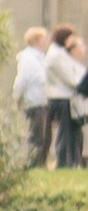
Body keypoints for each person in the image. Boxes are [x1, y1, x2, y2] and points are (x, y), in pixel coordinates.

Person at [43, 26, 84, 167]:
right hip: (60, 98)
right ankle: (63, 161)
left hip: (64, 97)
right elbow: (70, 78)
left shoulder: (59, 53)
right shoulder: (56, 55)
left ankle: (71, 160)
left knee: (71, 132)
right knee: (65, 132)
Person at [11, 25, 48, 166]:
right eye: (43, 40)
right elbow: (22, 80)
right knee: (35, 136)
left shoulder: (39, 58)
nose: (46, 42)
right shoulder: (28, 58)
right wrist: (17, 98)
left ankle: (38, 163)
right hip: (32, 101)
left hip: (40, 101)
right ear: (35, 41)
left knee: (41, 136)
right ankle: (31, 163)